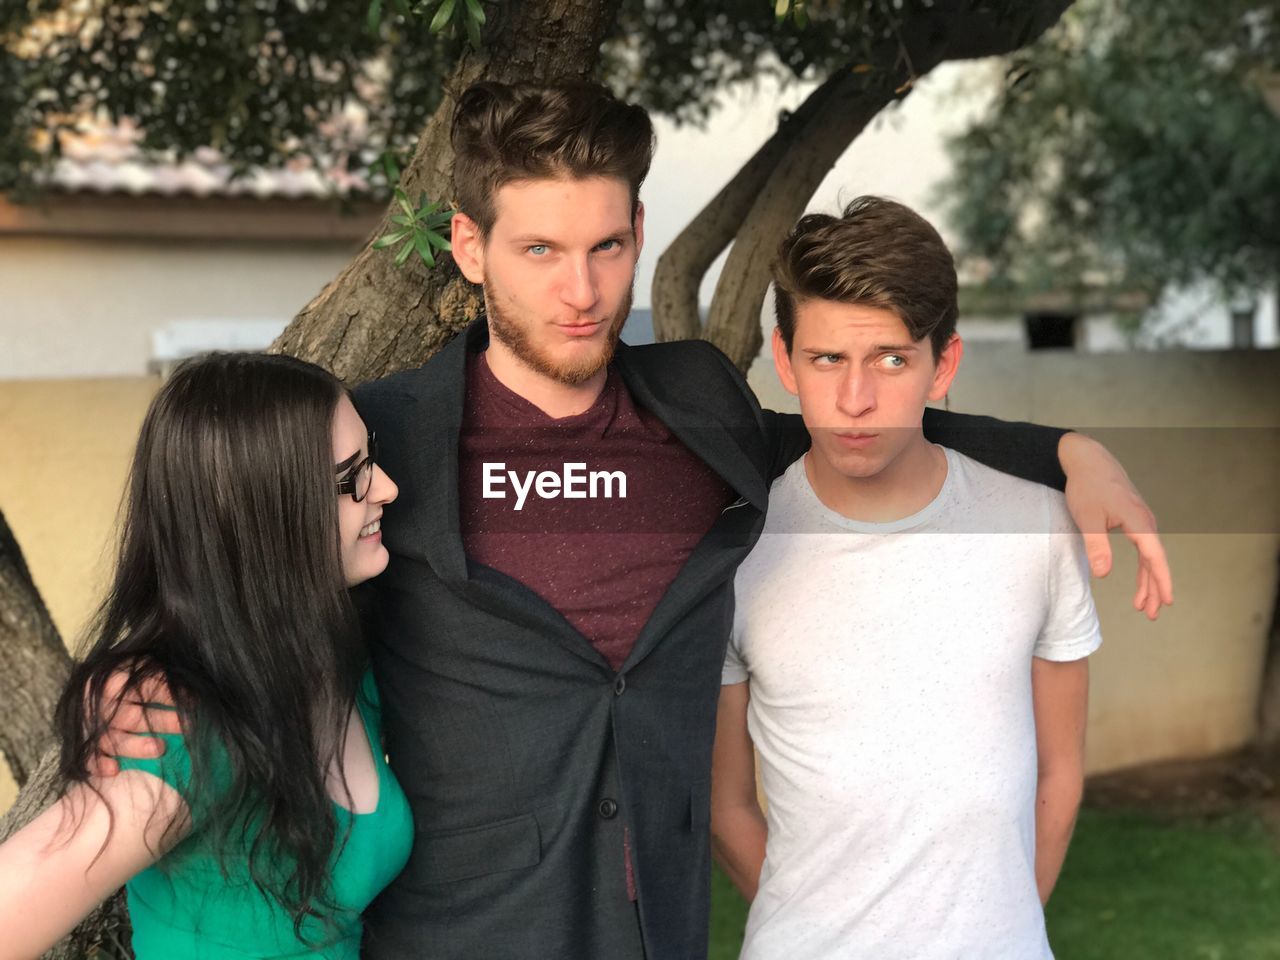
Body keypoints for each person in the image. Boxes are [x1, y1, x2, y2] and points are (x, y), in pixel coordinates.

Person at [100, 82, 1171, 960]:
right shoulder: (378, 447)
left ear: (639, 232)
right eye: (539, 252)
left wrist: (1068, 451)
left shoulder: (698, 409)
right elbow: (238, 567)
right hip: (456, 938)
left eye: (608, 247)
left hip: (658, 935)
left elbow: (864, 421)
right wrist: (160, 675)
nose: (582, 290)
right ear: (468, 246)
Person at [710, 197, 1103, 959]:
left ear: (942, 364)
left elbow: (1060, 773)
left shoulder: (1037, 526)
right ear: (784, 360)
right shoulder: (736, 551)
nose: (856, 400)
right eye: (827, 360)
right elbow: (726, 806)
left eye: (891, 359)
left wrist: (1002, 928)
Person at [0, 353, 412, 960]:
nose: (387, 488)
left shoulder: (343, 665)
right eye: (351, 477)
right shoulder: (177, 729)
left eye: (370, 457)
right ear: (263, 518)